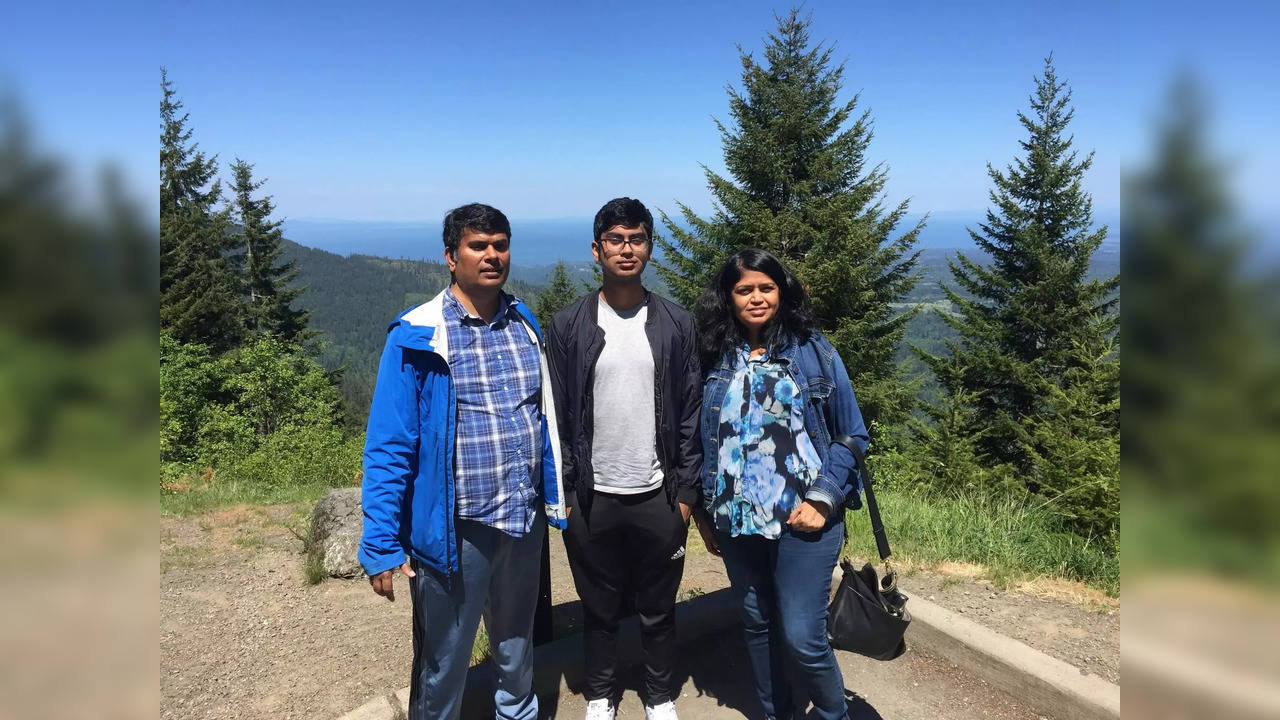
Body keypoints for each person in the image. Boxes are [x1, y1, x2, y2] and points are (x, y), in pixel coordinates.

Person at [358, 202, 568, 720]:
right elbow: (390, 445)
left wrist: (555, 498)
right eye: (478, 245)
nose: (492, 255)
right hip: (453, 531)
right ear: (452, 257)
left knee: (517, 645)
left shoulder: (524, 324)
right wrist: (380, 541)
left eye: (500, 244)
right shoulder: (417, 336)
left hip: (522, 520)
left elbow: (542, 421)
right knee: (444, 660)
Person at [547, 197, 710, 720]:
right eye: (615, 240)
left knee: (659, 608)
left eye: (636, 239)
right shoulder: (569, 324)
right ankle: (601, 693)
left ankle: (659, 696)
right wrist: (566, 494)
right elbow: (557, 413)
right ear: (597, 250)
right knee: (599, 608)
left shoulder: (675, 323)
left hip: (658, 495)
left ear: (650, 249)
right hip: (592, 497)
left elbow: (690, 411)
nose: (626, 249)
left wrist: (686, 495)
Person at [695, 248, 869, 720]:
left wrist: (823, 498)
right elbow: (697, 438)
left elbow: (853, 435)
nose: (756, 298)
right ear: (727, 298)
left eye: (765, 288)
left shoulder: (814, 351)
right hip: (735, 519)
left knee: (801, 634)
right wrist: (705, 513)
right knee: (755, 622)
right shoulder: (712, 356)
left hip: (805, 519)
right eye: (744, 289)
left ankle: (835, 714)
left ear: (781, 291)